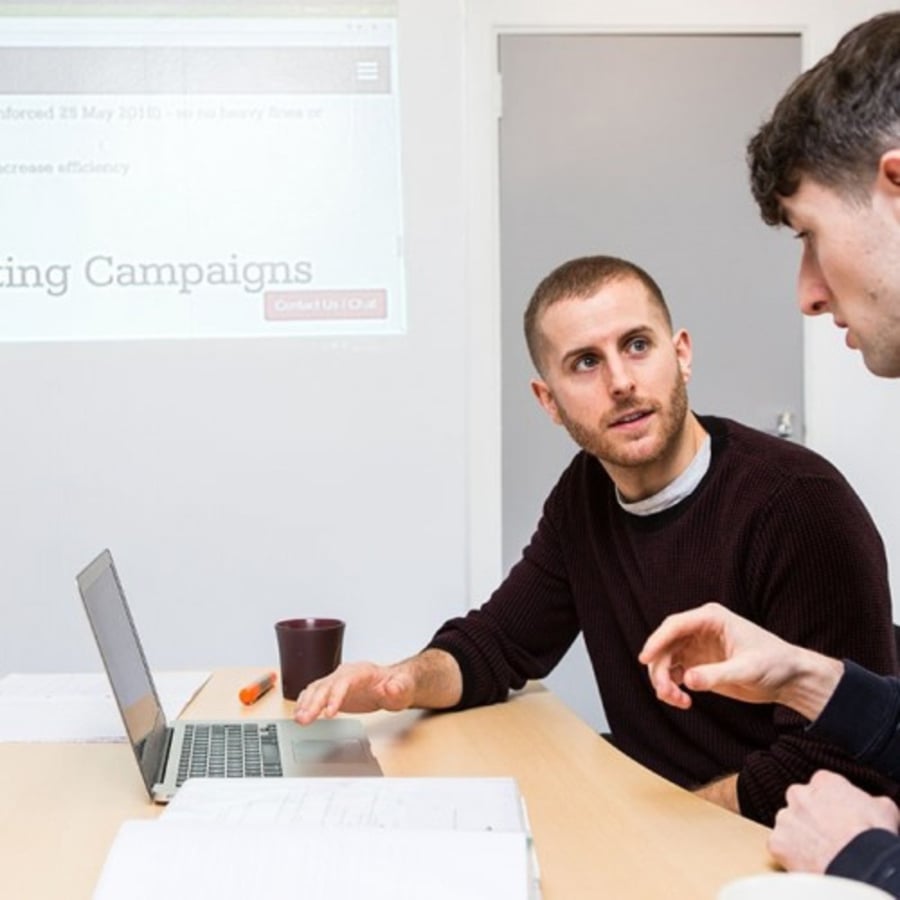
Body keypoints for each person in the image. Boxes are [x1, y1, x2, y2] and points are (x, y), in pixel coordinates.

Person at [294, 253, 898, 827]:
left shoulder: (797, 502)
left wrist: (650, 817)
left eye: (638, 346)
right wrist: (398, 684)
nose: (621, 382)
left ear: (681, 354)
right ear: (548, 401)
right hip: (672, 819)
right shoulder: (584, 495)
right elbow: (499, 645)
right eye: (585, 362)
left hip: (773, 846)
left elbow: (840, 765)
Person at [640, 9, 900, 893]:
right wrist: (807, 677)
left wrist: (868, 860)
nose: (807, 294)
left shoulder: (794, 495)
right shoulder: (581, 500)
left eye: (810, 238)